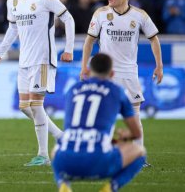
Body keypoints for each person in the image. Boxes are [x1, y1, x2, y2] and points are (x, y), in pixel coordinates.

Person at [0, 0, 75, 166]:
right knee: (24, 107)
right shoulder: (13, 0)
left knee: (36, 106)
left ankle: (44, 155)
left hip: (43, 59)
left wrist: (69, 49)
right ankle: (62, 137)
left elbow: (68, 19)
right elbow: (13, 29)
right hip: (24, 60)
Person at [80, 0, 163, 166]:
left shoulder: (139, 15)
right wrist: (84, 66)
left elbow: (154, 39)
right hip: (105, 73)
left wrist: (159, 66)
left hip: (129, 73)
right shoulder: (101, 14)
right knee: (102, 114)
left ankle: (139, 157)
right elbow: (89, 42)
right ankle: (100, 154)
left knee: (134, 115)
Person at [53, 53, 146, 192]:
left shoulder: (73, 90)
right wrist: (126, 136)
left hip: (65, 162)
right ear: (112, 73)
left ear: (88, 71)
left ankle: (63, 183)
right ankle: (110, 188)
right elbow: (137, 133)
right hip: (98, 162)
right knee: (140, 151)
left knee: (55, 149)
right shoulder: (117, 91)